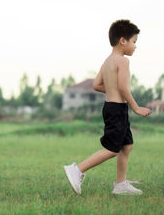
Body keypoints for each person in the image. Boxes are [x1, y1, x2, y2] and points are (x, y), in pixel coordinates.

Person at [63, 19, 152, 195]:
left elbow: (96, 85)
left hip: (111, 107)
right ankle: (77, 169)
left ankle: (121, 184)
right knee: (112, 149)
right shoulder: (123, 61)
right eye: (134, 42)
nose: (135, 46)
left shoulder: (107, 61)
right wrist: (136, 108)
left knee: (127, 146)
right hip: (118, 109)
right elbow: (124, 88)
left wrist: (112, 89)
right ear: (122, 40)